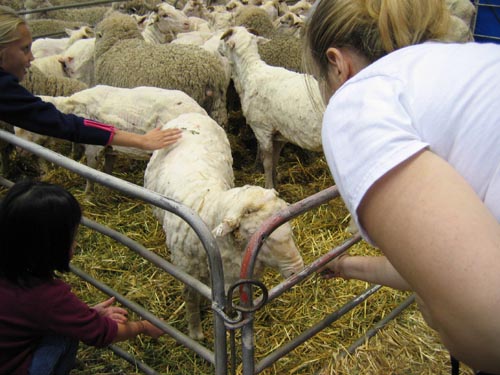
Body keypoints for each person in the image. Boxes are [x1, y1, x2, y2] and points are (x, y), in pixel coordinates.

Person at [303, 0, 500, 373]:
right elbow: (451, 256)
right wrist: (347, 265)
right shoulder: (475, 62)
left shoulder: (360, 99)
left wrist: (441, 318)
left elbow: (491, 328)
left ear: (337, 63)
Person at [0, 180, 165, 375]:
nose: (76, 243)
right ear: (49, 246)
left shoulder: (13, 270)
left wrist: (88, 315)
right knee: (64, 335)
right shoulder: (46, 296)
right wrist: (142, 326)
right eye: (70, 237)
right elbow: (102, 334)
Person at [0, 5, 182, 152]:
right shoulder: (4, 89)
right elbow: (65, 124)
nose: (32, 57)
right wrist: (140, 140)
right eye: (25, 49)